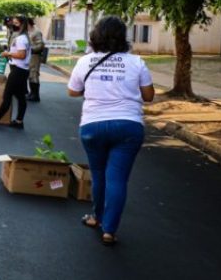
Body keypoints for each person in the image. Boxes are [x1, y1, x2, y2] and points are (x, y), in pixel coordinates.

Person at [65, 16, 154, 246]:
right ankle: (110, 230)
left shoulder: (85, 62)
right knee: (117, 179)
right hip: (128, 126)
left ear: (96, 35)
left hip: (93, 125)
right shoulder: (137, 62)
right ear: (123, 37)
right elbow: (149, 96)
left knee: (98, 174)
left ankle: (96, 217)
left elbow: (73, 92)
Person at [0, 16, 31, 129]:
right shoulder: (24, 37)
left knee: (7, 95)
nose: (12, 25)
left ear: (21, 24)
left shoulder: (21, 39)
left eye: (15, 23)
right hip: (22, 70)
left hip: (18, 70)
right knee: (20, 97)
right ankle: (19, 121)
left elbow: (21, 55)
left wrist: (7, 54)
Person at [27, 16, 47, 102]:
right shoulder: (29, 31)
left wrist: (30, 49)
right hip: (30, 56)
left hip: (35, 55)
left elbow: (40, 45)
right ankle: (32, 93)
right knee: (30, 75)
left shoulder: (36, 31)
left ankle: (35, 95)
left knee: (34, 74)